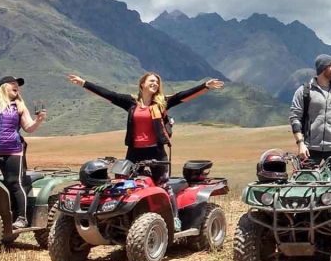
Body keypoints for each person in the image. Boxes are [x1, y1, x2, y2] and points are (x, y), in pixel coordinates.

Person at [66, 72, 224, 227]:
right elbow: (108, 94)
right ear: (142, 84)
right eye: (151, 81)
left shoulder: (161, 103)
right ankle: (126, 220)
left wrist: (205, 86)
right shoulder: (130, 102)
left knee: (162, 185)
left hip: (156, 152)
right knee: (126, 186)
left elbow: (182, 96)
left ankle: (174, 218)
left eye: (157, 82)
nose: (155, 84)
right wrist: (83, 83)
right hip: (134, 152)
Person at [0, 76, 46, 228]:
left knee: (15, 183)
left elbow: (28, 128)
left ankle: (21, 219)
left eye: (18, 85)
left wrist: (38, 120)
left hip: (12, 152)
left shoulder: (19, 105)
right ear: (3, 86)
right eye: (13, 84)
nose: (17, 86)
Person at [289, 54, 331, 180]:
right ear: (323, 68)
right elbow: (295, 118)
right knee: (305, 185)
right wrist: (300, 144)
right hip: (310, 149)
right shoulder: (304, 91)